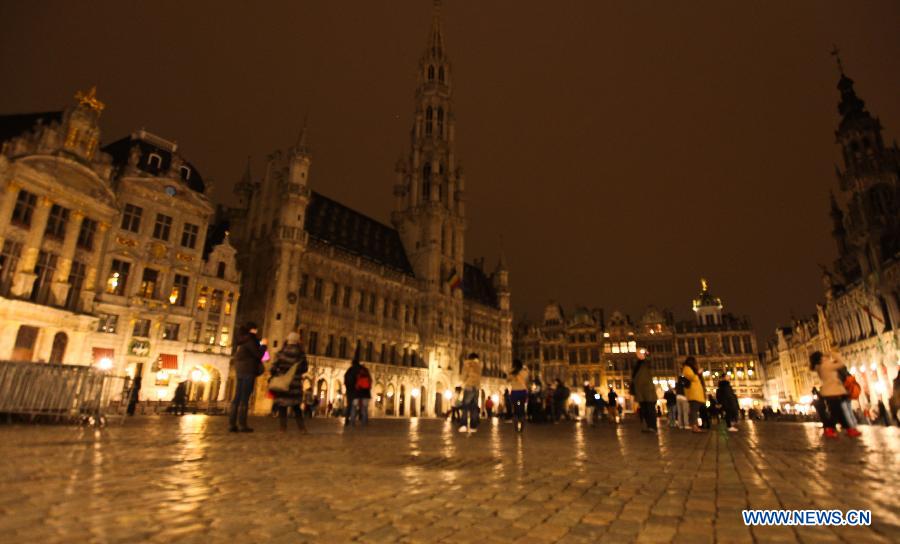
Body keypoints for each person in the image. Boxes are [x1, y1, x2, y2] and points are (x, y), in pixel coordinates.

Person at [809, 351, 861, 438]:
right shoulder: (826, 365)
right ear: (820, 358)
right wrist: (833, 354)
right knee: (836, 413)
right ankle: (831, 429)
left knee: (838, 412)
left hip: (830, 391)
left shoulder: (819, 366)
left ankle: (848, 429)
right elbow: (841, 363)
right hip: (833, 391)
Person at [229, 323, 267, 433]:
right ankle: (242, 424)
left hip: (240, 369)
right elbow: (259, 355)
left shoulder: (242, 340)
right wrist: (264, 345)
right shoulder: (251, 340)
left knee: (237, 396)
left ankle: (232, 424)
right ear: (253, 330)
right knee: (244, 397)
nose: (257, 332)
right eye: (256, 330)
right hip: (248, 370)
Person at [268, 331, 308, 432]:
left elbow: (272, 368)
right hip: (295, 383)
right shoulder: (300, 354)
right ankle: (302, 428)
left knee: (282, 406)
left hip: (283, 383)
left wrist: (278, 373)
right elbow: (305, 369)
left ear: (287, 340)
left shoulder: (280, 353)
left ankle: (283, 428)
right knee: (296, 407)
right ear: (297, 341)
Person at [632, 349, 657, 433]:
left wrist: (647, 353)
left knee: (650, 409)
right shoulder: (637, 365)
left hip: (647, 391)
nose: (639, 355)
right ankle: (647, 426)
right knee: (644, 410)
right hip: (640, 391)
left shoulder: (646, 363)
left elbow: (650, 360)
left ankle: (652, 427)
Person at [344, 353, 372, 426]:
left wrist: (347, 388)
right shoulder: (363, 369)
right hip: (362, 391)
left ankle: (349, 420)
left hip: (351, 391)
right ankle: (364, 421)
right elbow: (369, 381)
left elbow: (346, 379)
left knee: (351, 406)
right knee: (363, 407)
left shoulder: (350, 370)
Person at [459, 353, 483, 432]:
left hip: (469, 387)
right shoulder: (479, 366)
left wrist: (462, 382)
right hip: (476, 388)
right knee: (474, 407)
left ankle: (464, 425)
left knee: (465, 406)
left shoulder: (467, 364)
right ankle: (473, 426)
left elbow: (464, 375)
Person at [682, 356, 706, 433]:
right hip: (693, 393)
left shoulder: (690, 369)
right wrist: (698, 373)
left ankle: (695, 425)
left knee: (694, 410)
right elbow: (692, 377)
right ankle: (694, 426)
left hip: (696, 393)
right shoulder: (687, 368)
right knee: (693, 410)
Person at [508, 359, 529, 432]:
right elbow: (527, 376)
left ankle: (516, 428)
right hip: (522, 392)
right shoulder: (524, 371)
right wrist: (524, 368)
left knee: (516, 409)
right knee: (522, 408)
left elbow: (508, 379)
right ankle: (522, 427)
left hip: (515, 393)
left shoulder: (511, 372)